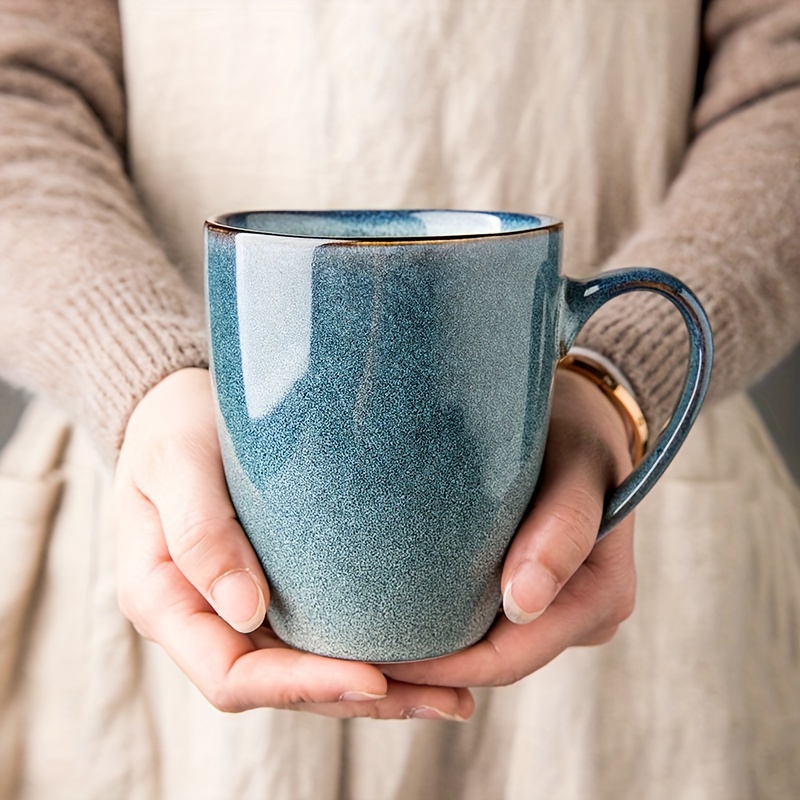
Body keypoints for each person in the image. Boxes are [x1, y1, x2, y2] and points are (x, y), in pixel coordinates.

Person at [0, 0, 798, 797]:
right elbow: (17, 95)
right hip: (161, 509)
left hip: (618, 534)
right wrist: (139, 370)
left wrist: (612, 375)